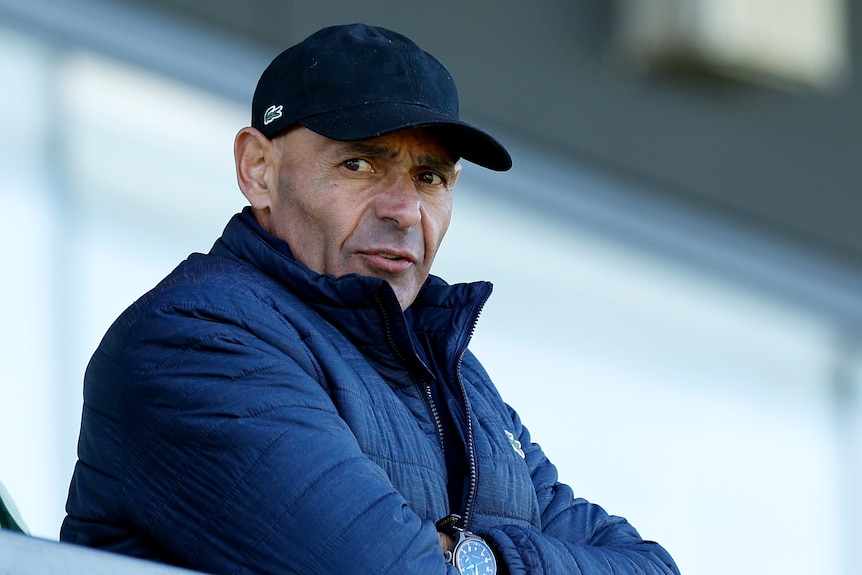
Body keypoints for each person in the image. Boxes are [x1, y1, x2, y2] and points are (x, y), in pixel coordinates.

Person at [60, 23, 680, 575]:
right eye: (359, 165)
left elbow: (652, 568)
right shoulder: (194, 339)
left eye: (429, 177)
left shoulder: (454, 373)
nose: (405, 211)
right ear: (257, 168)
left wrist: (469, 557)